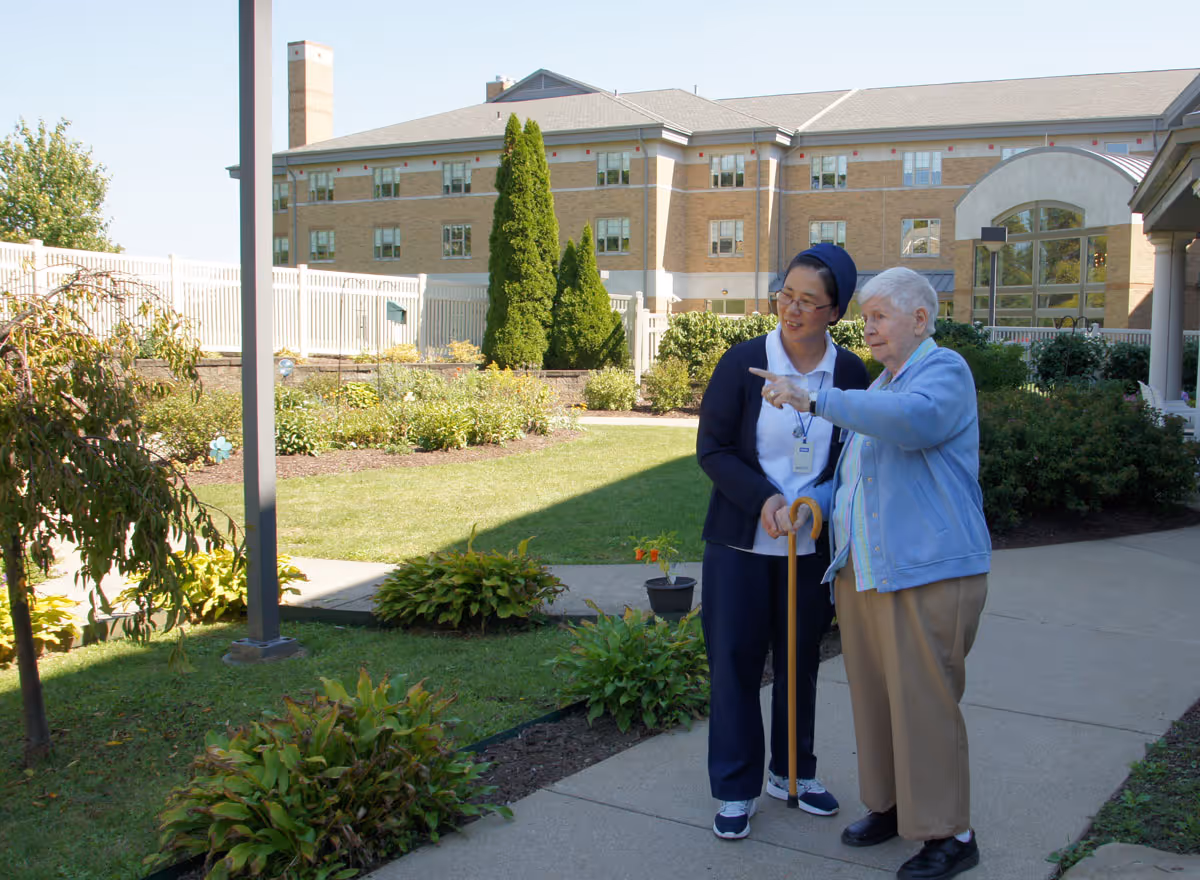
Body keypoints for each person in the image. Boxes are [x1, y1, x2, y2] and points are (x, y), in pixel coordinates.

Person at [752, 266, 990, 879]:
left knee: (924, 705)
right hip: (865, 572)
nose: (870, 328)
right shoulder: (884, 385)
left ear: (919, 319)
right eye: (866, 318)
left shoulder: (942, 373)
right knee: (877, 702)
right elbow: (859, 476)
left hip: (926, 572)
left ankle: (950, 834)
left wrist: (815, 398)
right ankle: (890, 808)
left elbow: (915, 427)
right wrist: (817, 505)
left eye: (880, 316)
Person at [696, 244, 869, 840]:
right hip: (741, 548)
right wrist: (765, 499)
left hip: (809, 548)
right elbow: (712, 450)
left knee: (800, 666)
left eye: (807, 302)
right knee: (736, 666)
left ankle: (792, 772)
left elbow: (854, 456)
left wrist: (812, 504)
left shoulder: (848, 374)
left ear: (834, 311)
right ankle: (737, 787)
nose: (791, 311)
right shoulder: (742, 362)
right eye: (785, 297)